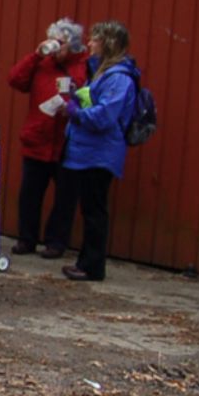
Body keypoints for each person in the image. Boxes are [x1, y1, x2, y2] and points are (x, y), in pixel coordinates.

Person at [57, 21, 142, 283]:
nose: (90, 44)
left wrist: (76, 112)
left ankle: (92, 266)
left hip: (100, 152)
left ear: (108, 43)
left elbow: (105, 115)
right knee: (90, 208)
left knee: (95, 210)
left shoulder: (118, 78)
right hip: (89, 151)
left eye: (95, 40)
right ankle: (86, 261)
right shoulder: (102, 72)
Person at [7, 18, 90, 258]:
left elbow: (88, 96)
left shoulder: (83, 66)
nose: (56, 47)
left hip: (67, 141)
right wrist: (35, 55)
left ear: (72, 45)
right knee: (30, 194)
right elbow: (15, 80)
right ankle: (26, 239)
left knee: (65, 196)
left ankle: (56, 242)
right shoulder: (42, 64)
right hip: (38, 137)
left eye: (61, 43)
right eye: (54, 41)